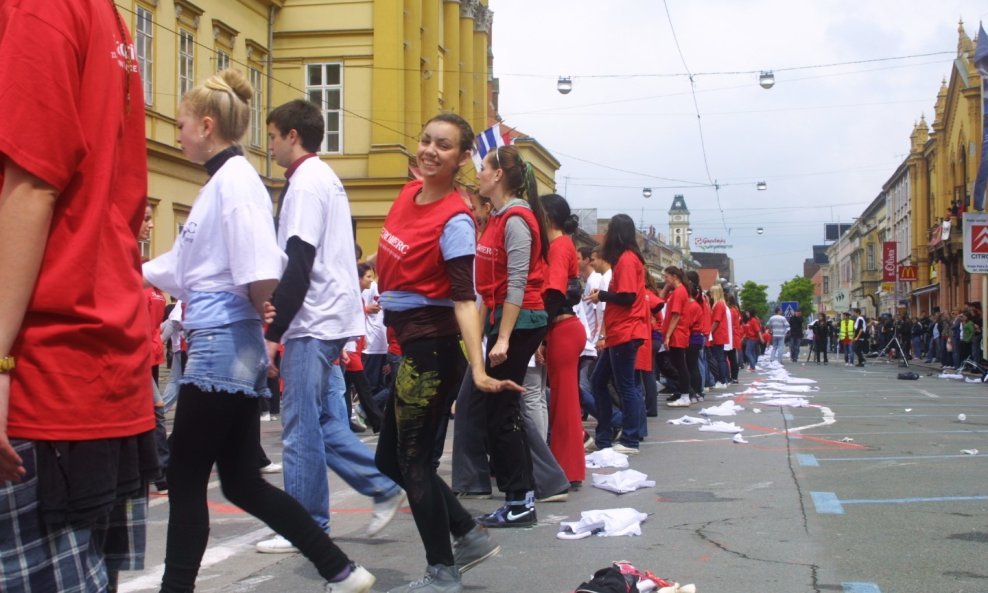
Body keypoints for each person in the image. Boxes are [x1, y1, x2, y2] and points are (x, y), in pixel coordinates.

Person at [142, 71, 373, 592]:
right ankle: (339, 567)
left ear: (206, 125)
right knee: (242, 480)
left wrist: (262, 315)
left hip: (223, 342)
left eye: (180, 125)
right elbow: (184, 267)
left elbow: (261, 265)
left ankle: (175, 588)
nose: (176, 134)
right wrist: (127, 271)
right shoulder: (223, 182)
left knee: (184, 475)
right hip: (226, 340)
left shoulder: (236, 181)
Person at [0, 3, 158, 592]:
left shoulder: (41, 8)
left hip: (41, 366)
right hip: (96, 362)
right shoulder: (104, 16)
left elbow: (33, 182)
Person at [374, 113, 521, 593]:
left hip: (432, 349)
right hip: (409, 342)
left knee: (413, 462)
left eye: (443, 145)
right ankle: (466, 534)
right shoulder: (404, 194)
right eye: (425, 140)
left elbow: (464, 298)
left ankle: (442, 571)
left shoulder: (456, 220)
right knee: (389, 461)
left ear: (460, 159)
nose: (430, 150)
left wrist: (477, 367)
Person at [258, 99, 403, 554]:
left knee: (301, 424)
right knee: (318, 419)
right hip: (331, 314)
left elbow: (298, 261)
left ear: (292, 136)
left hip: (313, 319)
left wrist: (272, 333)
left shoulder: (304, 186)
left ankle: (307, 526)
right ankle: (380, 485)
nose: (270, 146)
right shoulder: (326, 179)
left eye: (273, 136)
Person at [587, 215, 649, 445]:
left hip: (626, 330)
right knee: (598, 382)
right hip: (620, 331)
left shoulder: (627, 260)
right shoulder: (627, 259)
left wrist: (602, 295)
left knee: (625, 387)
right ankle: (605, 434)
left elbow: (627, 297)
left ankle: (630, 438)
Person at [539, 194, 587, 487]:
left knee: (564, 404)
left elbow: (554, 292)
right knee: (562, 402)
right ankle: (566, 467)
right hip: (565, 328)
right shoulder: (563, 244)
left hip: (562, 329)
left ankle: (567, 470)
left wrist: (537, 335)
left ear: (548, 217)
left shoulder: (558, 246)